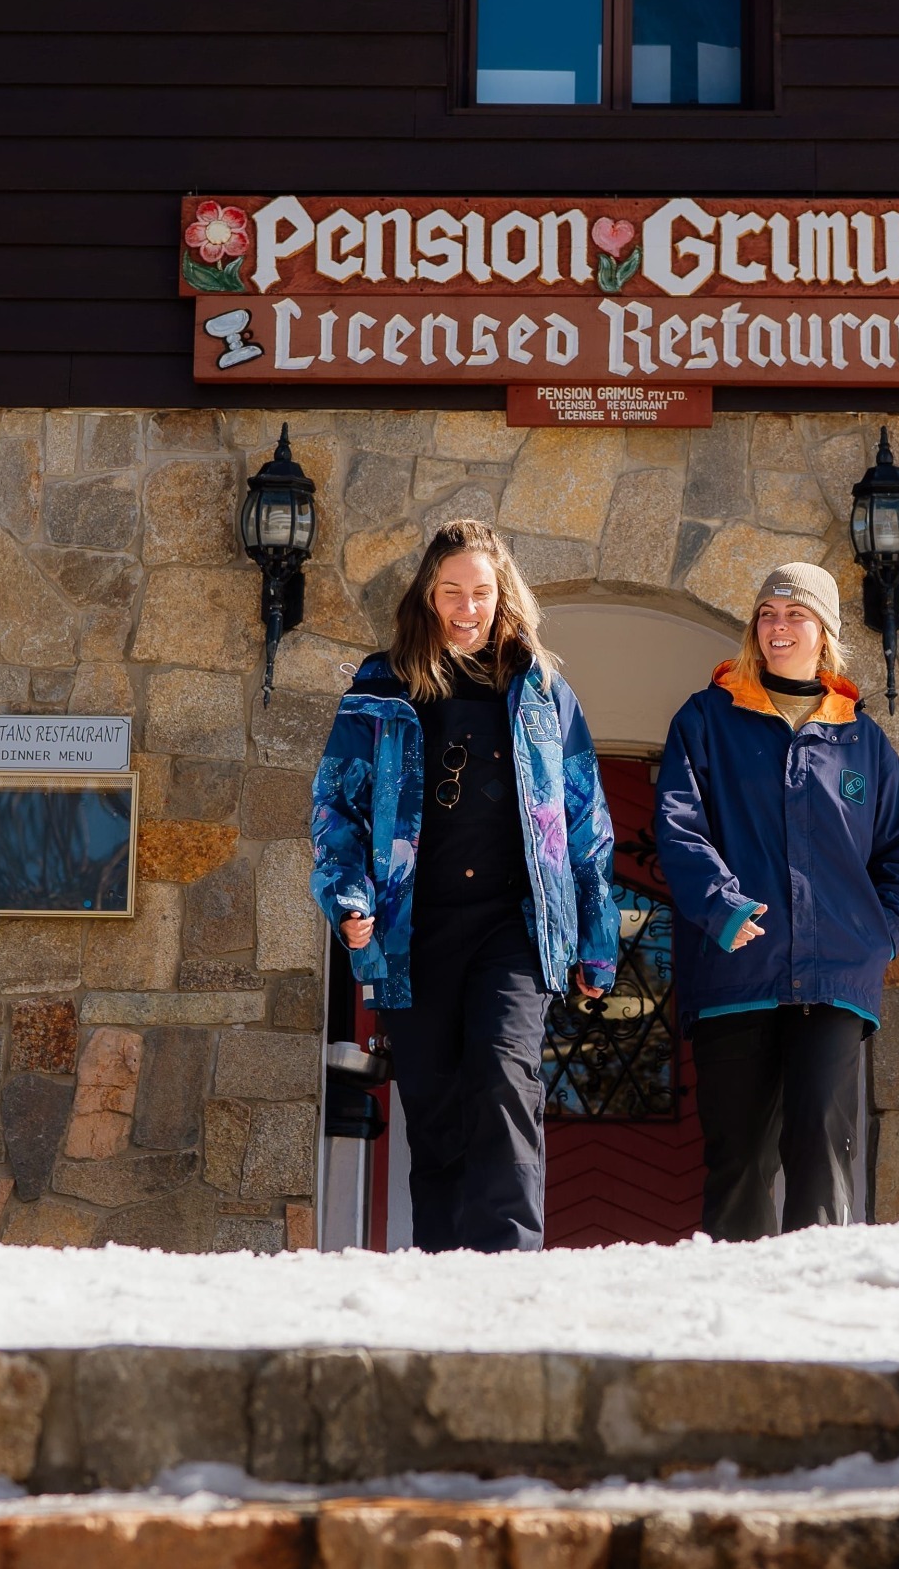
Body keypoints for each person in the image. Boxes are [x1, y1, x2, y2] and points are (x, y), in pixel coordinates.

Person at [308, 519, 619, 1252]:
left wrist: (597, 941)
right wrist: (348, 897)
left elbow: (587, 820)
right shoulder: (379, 686)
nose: (467, 607)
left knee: (504, 1073)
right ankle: (444, 1268)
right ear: (428, 595)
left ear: (503, 595)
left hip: (512, 922)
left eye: (481, 592)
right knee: (436, 1100)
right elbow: (337, 805)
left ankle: (511, 1260)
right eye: (452, 592)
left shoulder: (542, 692)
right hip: (415, 931)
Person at [655, 561, 899, 1240]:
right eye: (768, 614)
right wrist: (720, 905)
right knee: (739, 1159)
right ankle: (734, 1324)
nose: (778, 627)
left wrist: (879, 938)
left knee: (821, 1155)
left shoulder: (862, 741)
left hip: (836, 979)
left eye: (795, 614)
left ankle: (817, 1314)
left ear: (825, 632)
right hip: (736, 975)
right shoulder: (707, 720)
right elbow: (679, 824)